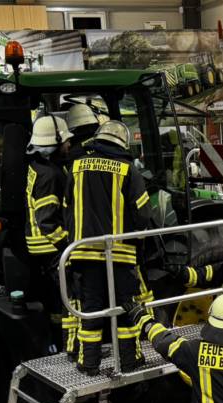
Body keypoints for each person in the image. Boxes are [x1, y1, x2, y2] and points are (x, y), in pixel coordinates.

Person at [66, 120, 152, 374]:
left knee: (91, 308)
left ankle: (88, 363)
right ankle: (129, 359)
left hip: (82, 251)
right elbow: (143, 214)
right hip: (119, 253)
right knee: (125, 308)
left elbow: (66, 207)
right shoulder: (128, 170)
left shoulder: (76, 166)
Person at [25, 114, 73, 346]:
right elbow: (46, 221)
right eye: (65, 141)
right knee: (69, 298)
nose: (69, 145)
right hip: (50, 247)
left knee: (55, 302)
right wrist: (68, 246)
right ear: (53, 143)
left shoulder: (38, 166)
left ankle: (57, 341)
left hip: (39, 248)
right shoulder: (50, 176)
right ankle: (69, 344)